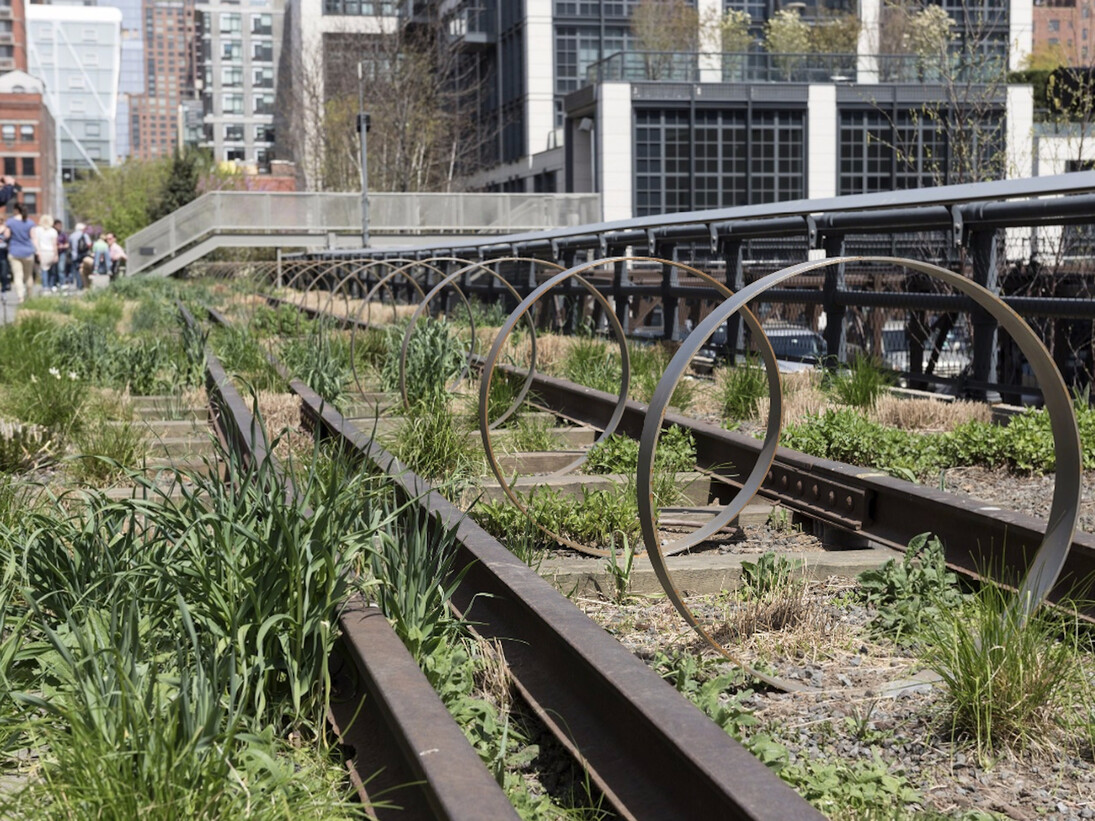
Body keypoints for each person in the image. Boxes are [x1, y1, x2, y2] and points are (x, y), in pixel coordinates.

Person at [4, 203, 36, 302]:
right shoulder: (30, 222)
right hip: (28, 252)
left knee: (18, 276)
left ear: (16, 210)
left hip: (15, 251)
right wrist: (37, 250)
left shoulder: (10, 222)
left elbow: (6, 235)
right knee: (28, 276)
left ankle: (20, 297)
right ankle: (30, 296)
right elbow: (34, 238)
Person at [35, 214, 58, 293]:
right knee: (51, 270)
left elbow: (36, 242)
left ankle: (45, 286)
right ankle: (51, 285)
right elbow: (54, 244)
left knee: (44, 269)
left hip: (42, 251)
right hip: (51, 252)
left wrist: (38, 252)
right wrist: (56, 255)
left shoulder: (38, 230)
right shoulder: (53, 231)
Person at [69, 222, 91, 289]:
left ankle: (78, 285)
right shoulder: (85, 235)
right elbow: (89, 244)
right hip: (83, 256)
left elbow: (70, 246)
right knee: (83, 270)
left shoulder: (71, 236)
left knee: (76, 270)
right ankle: (83, 284)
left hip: (74, 255)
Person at [54, 219, 70, 289]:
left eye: (60, 225)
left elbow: (67, 244)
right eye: (58, 225)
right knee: (54, 269)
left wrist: (62, 246)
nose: (59, 226)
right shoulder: (52, 233)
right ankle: (54, 283)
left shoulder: (63, 234)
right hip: (53, 253)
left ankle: (62, 283)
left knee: (61, 268)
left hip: (62, 253)